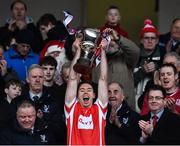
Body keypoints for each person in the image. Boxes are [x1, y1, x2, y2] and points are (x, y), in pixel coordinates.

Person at [64, 35, 108, 145]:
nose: (85, 92)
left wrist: (102, 51)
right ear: (77, 95)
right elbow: (73, 79)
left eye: (89, 90)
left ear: (94, 95)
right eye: (82, 90)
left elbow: (103, 79)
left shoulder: (100, 109)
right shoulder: (71, 108)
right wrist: (78, 51)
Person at [10, 64, 66, 144]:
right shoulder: (17, 101)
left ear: (44, 79)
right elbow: (10, 127)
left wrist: (43, 120)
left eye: (40, 77)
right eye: (34, 77)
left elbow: (60, 129)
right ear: (27, 79)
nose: (37, 80)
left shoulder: (53, 100)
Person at [92, 28, 140, 110]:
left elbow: (135, 51)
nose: (110, 43)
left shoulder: (126, 58)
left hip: (126, 109)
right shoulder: (97, 61)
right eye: (108, 40)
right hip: (102, 110)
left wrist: (118, 38)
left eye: (113, 40)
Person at [134, 19, 164, 112]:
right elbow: (128, 82)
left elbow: (167, 83)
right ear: (142, 40)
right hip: (135, 101)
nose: (150, 41)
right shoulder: (134, 56)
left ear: (157, 40)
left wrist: (155, 71)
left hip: (157, 102)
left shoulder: (164, 56)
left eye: (153, 38)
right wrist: (142, 71)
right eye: (146, 38)